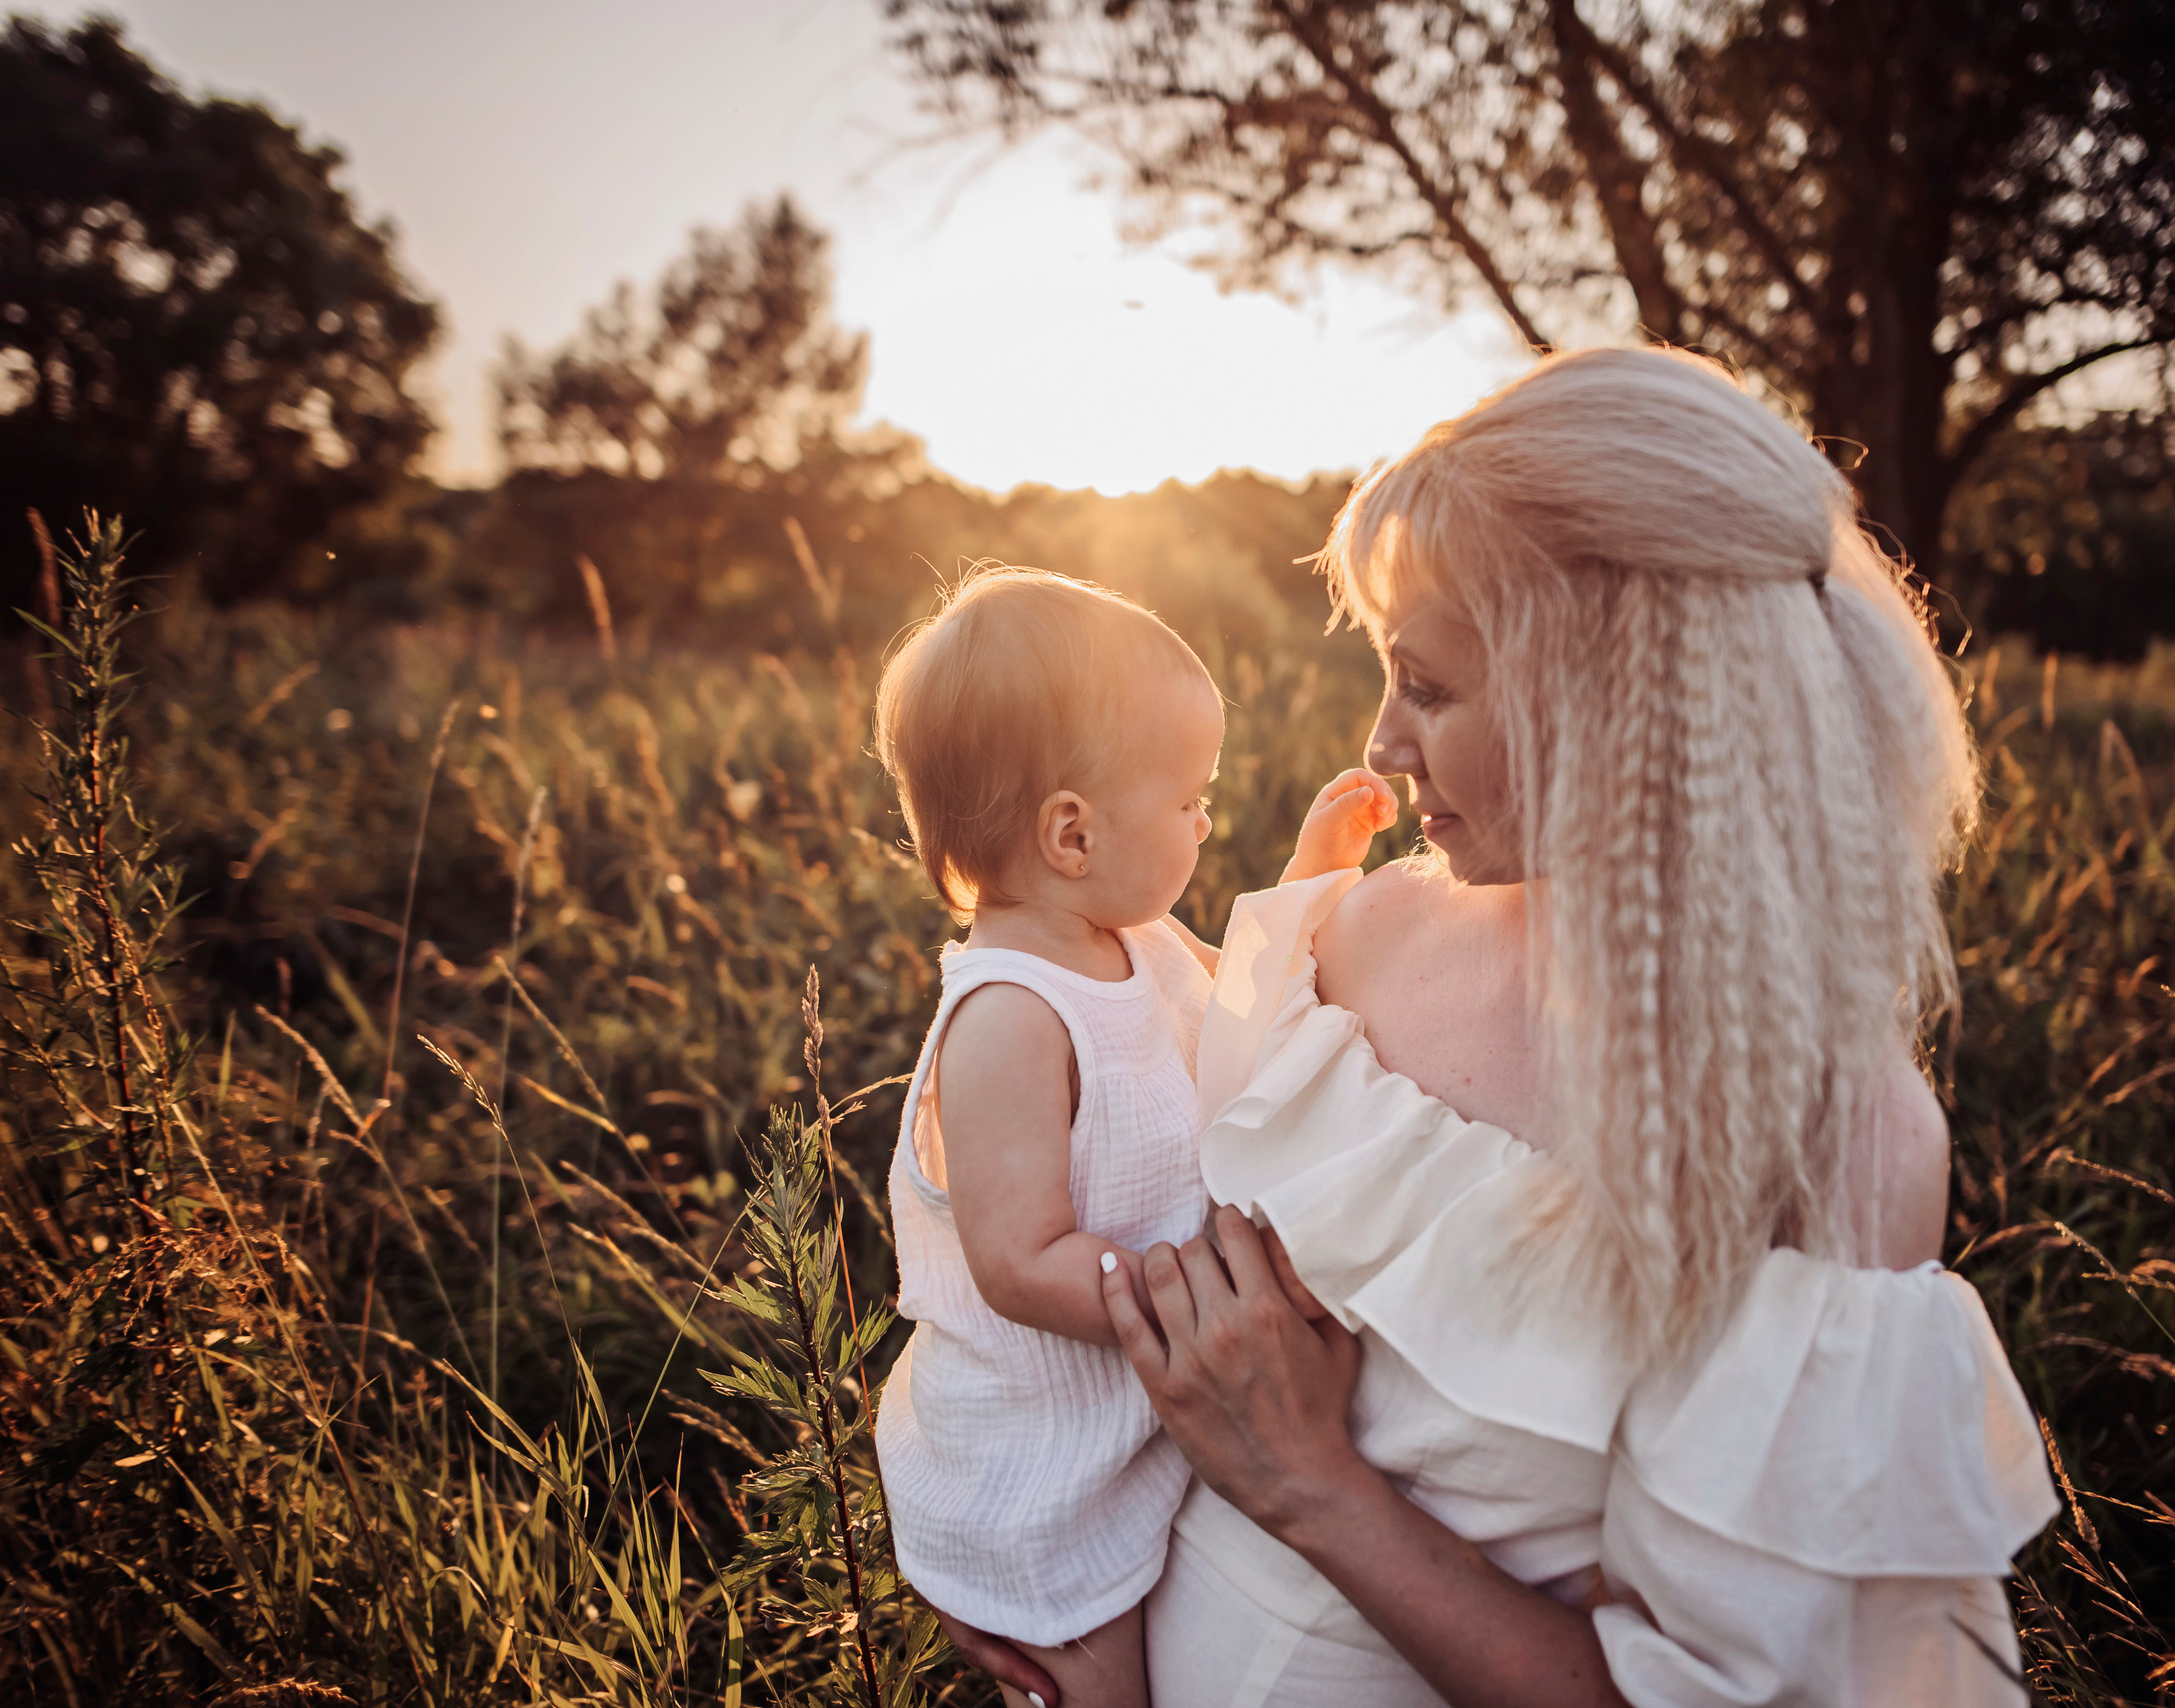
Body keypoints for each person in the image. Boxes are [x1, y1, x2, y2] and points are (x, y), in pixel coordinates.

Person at [943, 348, 2060, 1706]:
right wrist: (1012, 1555)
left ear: (1613, 704)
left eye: (1431, 686)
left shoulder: (1832, 1142)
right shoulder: (1352, 938)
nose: (1386, 740)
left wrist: (1313, 1487)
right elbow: (1098, 1225)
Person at [869, 568, 1398, 1708]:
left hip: (1130, 1424)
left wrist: (1314, 876)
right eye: (1190, 799)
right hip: (1035, 1476)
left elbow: (1248, 1004)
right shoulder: (1010, 1015)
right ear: (1072, 831)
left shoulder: (1138, 936)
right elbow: (1017, 1259)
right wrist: (1199, 1293)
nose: (1206, 820)